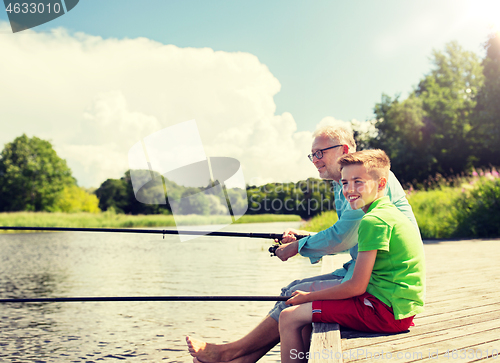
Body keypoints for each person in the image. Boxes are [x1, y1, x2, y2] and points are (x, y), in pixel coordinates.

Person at [186, 125, 420, 363]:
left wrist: (298, 246)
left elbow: (345, 236)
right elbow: (352, 234)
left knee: (293, 296)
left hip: (379, 288)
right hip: (372, 277)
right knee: (294, 293)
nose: (315, 160)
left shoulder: (371, 184)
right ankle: (238, 358)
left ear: (344, 150)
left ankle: (231, 353)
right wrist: (304, 236)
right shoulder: (356, 187)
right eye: (312, 155)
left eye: (321, 153)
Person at [279, 149, 425, 363]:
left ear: (382, 184)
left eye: (358, 182)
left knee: (289, 317)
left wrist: (309, 297)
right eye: (345, 183)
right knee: (302, 314)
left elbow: (357, 287)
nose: (349, 190)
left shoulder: (372, 221)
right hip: (399, 308)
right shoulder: (389, 212)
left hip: (384, 312)